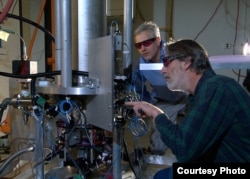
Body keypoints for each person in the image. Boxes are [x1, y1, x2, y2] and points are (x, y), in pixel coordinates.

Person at [126, 39, 250, 178]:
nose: (162, 70)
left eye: (166, 61)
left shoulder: (216, 88)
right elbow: (188, 139)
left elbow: (183, 148)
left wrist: (156, 113)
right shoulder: (201, 93)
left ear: (186, 62)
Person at [132, 21, 188, 155]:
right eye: (138, 45)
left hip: (187, 98)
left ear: (158, 40)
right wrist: (146, 105)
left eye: (147, 43)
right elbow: (138, 88)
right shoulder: (140, 64)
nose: (143, 49)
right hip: (164, 101)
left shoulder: (175, 53)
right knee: (157, 146)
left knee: (195, 136)